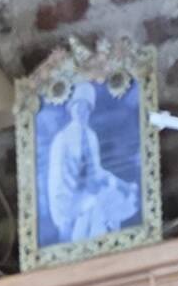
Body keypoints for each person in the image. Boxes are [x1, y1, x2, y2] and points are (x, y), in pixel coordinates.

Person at [40, 80, 138, 244]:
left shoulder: (91, 136)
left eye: (85, 107)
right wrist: (65, 217)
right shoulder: (62, 139)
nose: (81, 111)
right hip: (69, 198)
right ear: (71, 109)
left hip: (89, 190)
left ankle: (111, 245)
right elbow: (57, 181)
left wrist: (121, 184)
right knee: (95, 206)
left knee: (117, 198)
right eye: (77, 106)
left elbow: (97, 171)